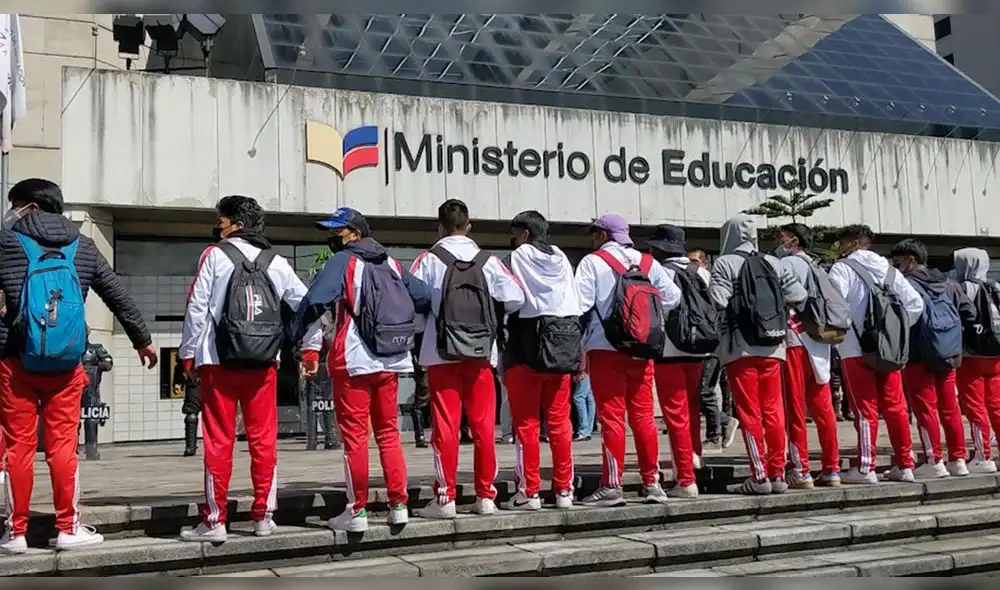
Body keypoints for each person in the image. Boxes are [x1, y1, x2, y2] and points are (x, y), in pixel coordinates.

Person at [0, 178, 157, 554]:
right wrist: (142, 339)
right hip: (67, 363)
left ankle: (16, 533)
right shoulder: (82, 246)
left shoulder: (5, 243)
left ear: (31, 207)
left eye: (15, 204)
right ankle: (68, 528)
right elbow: (116, 293)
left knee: (17, 448)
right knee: (62, 448)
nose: (11, 212)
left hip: (14, 360)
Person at [179, 195, 323, 543]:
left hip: (218, 363)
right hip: (263, 364)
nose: (218, 227)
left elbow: (197, 307)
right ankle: (263, 516)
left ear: (236, 224)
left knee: (218, 441)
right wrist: (311, 349)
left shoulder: (214, 256)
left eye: (221, 221)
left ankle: (215, 520)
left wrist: (188, 355)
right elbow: (308, 305)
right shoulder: (277, 262)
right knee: (263, 440)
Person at [291, 207, 430, 532]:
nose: (332, 237)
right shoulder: (391, 262)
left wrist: (294, 336)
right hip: (391, 357)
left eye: (337, 231)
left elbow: (314, 301)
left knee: (355, 439)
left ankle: (357, 512)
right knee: (388, 434)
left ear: (354, 233)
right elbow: (423, 296)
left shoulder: (343, 261)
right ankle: (398, 506)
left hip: (354, 359)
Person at [409, 199, 525, 519]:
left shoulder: (427, 260)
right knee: (484, 426)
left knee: (445, 428)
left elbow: (412, 303)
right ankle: (486, 496)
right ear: (468, 227)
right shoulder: (488, 261)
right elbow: (516, 297)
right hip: (480, 353)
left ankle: (445, 498)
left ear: (439, 227)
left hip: (440, 352)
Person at [575, 214, 681, 506]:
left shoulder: (593, 262)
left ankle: (611, 485)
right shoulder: (648, 263)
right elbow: (673, 297)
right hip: (642, 349)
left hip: (605, 348)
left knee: (611, 418)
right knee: (644, 417)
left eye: (593, 233)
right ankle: (652, 483)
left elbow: (580, 303)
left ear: (602, 235)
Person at [709, 214, 807, 495]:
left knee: (750, 413)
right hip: (774, 346)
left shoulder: (726, 263)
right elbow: (799, 296)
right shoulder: (774, 263)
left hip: (740, 348)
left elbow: (718, 299)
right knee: (774, 410)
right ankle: (777, 473)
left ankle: (760, 476)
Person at [828, 225, 923, 485]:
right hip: (890, 349)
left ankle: (866, 468)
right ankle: (905, 464)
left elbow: (835, 304)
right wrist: (896, 331)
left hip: (855, 350)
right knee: (896, 407)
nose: (841, 247)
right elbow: (915, 304)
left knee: (864, 409)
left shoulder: (842, 268)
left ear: (853, 242)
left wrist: (843, 334)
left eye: (843, 242)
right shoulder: (889, 269)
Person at [502, 211, 580, 510]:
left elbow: (509, 295)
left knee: (527, 423)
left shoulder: (519, 255)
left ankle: (529, 491)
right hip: (561, 346)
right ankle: (564, 491)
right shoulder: (561, 257)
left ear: (523, 232)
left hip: (526, 346)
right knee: (560, 423)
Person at [890, 238, 974, 479]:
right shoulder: (949, 282)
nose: (895, 267)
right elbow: (969, 312)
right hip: (949, 354)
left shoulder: (905, 284)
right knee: (950, 408)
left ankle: (933, 460)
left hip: (919, 355)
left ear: (910, 260)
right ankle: (958, 459)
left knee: (925, 409)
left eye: (897, 262)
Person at [648, 224, 716, 499]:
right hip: (699, 348)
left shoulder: (659, 272)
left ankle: (685, 478)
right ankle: (694, 456)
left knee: (675, 416)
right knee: (692, 409)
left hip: (670, 350)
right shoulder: (701, 271)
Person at [773, 223, 841, 488]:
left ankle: (800, 470)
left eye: (783, 239)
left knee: (794, 409)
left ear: (793, 241)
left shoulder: (788, 265)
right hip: (819, 342)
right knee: (824, 409)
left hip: (795, 340)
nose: (779, 243)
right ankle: (832, 468)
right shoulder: (817, 266)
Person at [953, 248, 1000, 473]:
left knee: (975, 407)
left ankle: (983, 456)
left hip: (971, 356)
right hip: (995, 355)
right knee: (996, 406)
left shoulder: (962, 288)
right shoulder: (995, 286)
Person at [687, 248, 738, 448]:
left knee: (705, 391)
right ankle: (724, 421)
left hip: (711, 343)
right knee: (699, 392)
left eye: (694, 261)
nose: (691, 265)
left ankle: (714, 434)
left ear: (704, 263)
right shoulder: (693, 278)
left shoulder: (705, 279)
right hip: (700, 343)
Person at [80, 328, 113, 461]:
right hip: (73, 391)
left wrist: (96, 367)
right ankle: (71, 449)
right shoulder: (70, 350)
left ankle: (91, 449)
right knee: (71, 421)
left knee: (91, 419)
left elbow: (108, 363)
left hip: (91, 391)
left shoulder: (95, 349)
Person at [173, 353, 202, 457]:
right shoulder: (191, 339)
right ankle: (190, 445)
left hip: (214, 381)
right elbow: (181, 361)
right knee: (191, 415)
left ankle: (217, 446)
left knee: (216, 416)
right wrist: (177, 381)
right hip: (194, 381)